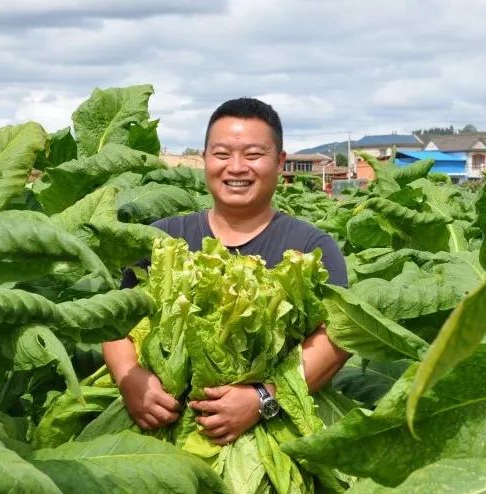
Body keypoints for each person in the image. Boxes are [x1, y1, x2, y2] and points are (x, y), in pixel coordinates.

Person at [102, 97, 350, 445]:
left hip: (272, 429)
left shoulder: (312, 247)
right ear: (204, 160)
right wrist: (129, 377)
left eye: (253, 155)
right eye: (221, 154)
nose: (236, 167)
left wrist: (264, 397)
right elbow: (115, 321)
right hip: (156, 426)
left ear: (279, 162)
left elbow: (338, 338)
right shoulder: (161, 237)